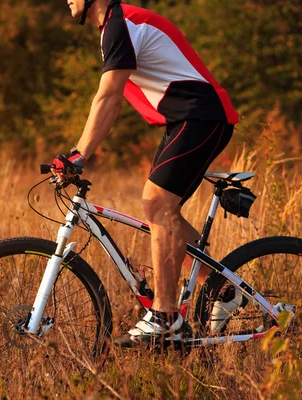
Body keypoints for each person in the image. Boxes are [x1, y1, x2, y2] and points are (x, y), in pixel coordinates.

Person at [51, 0, 239, 346]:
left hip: (200, 117)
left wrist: (79, 155)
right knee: (159, 210)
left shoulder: (122, 24)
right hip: (186, 120)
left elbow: (107, 97)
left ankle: (166, 316)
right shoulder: (113, 28)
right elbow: (115, 98)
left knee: (157, 204)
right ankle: (222, 290)